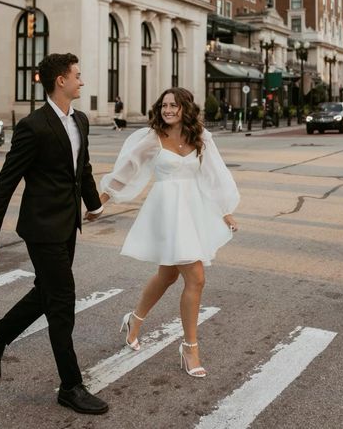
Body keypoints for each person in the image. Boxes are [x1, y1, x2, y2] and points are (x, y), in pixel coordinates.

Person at [0, 53, 108, 415]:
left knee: (46, 293)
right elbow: (7, 181)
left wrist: (94, 206)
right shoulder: (33, 126)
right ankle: (70, 385)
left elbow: (83, 168)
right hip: (41, 228)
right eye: (77, 75)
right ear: (60, 81)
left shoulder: (80, 120)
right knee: (62, 302)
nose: (82, 80)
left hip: (67, 227)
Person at [99, 87, 239, 378]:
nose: (168, 110)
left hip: (193, 211)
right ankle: (190, 347)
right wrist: (101, 201)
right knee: (196, 278)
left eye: (174, 105)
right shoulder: (152, 138)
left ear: (185, 108)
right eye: (164, 105)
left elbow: (214, 174)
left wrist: (225, 210)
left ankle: (133, 321)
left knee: (168, 274)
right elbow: (126, 169)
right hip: (166, 212)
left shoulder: (200, 137)